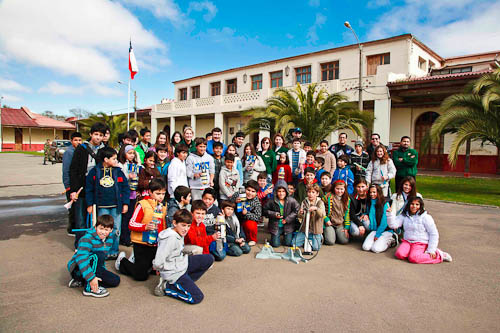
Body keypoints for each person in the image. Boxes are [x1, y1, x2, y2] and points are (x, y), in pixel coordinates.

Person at [153, 209, 215, 304]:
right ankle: (167, 287)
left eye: (188, 226)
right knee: (197, 297)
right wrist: (163, 270)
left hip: (181, 263)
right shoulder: (170, 238)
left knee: (209, 259)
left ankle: (186, 281)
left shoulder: (178, 233)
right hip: (174, 272)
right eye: (183, 225)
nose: (186, 229)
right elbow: (158, 262)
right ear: (174, 223)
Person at [115, 178, 167, 281]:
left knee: (154, 270)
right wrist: (145, 227)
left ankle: (137, 262)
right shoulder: (142, 204)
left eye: (163, 193)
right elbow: (131, 223)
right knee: (141, 276)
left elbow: (163, 226)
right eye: (158, 193)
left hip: (155, 243)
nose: (161, 196)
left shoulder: (163, 207)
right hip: (141, 242)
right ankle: (122, 261)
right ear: (150, 192)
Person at [85, 147, 130, 260]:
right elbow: (89, 189)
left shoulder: (118, 171)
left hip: (116, 207)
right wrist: (89, 204)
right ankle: (102, 251)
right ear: (106, 159)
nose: (116, 161)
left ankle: (114, 250)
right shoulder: (94, 172)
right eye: (114, 159)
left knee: (115, 229)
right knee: (102, 229)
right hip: (101, 207)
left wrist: (125, 203)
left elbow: (125, 188)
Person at [70, 122, 106, 249]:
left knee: (96, 219)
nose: (98, 137)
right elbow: (73, 170)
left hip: (97, 189)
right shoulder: (81, 148)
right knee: (80, 219)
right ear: (91, 134)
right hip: (82, 188)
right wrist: (73, 190)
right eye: (96, 134)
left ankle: (93, 244)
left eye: (101, 135)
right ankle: (80, 246)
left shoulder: (104, 150)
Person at [67, 215, 120, 298]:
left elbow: (101, 260)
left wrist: (100, 272)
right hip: (78, 268)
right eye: (101, 228)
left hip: (94, 266)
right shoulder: (87, 238)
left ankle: (81, 281)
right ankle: (89, 288)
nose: (103, 232)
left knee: (115, 280)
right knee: (98, 255)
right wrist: (91, 278)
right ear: (95, 227)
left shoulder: (109, 239)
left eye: (106, 230)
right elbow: (81, 259)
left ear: (111, 230)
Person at [388, 197, 452, 264]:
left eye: (417, 204)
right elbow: (393, 225)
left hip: (420, 242)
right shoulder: (404, 216)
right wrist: (389, 214)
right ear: (408, 205)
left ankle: (439, 255)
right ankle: (414, 253)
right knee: (399, 254)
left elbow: (434, 234)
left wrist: (431, 250)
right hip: (408, 241)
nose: (414, 206)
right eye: (412, 204)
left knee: (413, 258)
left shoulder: (426, 217)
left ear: (420, 206)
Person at [117, 144, 142, 246]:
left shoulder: (134, 164)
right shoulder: (120, 164)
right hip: (124, 194)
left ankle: (128, 237)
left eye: (133, 153)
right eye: (129, 153)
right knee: (125, 216)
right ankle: (124, 238)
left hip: (133, 193)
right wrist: (128, 176)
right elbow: (120, 178)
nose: (131, 155)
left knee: (131, 215)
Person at [263, 180, 299, 247]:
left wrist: (287, 219)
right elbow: (264, 210)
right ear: (276, 192)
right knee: (275, 244)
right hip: (276, 226)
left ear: (286, 192)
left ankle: (288, 236)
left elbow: (297, 210)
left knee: (288, 243)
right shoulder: (272, 201)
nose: (281, 193)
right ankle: (276, 237)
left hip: (288, 226)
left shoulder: (291, 200)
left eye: (283, 191)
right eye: (279, 191)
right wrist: (274, 214)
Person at [361, 184, 394, 253]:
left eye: (374, 192)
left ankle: (391, 240)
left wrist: (378, 234)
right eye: (370, 192)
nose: (372, 194)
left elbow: (385, 221)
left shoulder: (385, 203)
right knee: (366, 247)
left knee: (376, 249)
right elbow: (368, 212)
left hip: (385, 230)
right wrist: (365, 214)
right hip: (375, 229)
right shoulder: (369, 202)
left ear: (379, 192)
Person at [294, 184, 325, 251]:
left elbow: (322, 214)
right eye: (309, 192)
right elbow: (299, 216)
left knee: (316, 248)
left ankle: (318, 237)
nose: (311, 194)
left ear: (317, 194)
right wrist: (301, 213)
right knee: (294, 243)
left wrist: (316, 208)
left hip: (316, 230)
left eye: (313, 192)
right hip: (305, 229)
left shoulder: (320, 202)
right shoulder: (304, 202)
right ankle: (307, 238)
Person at [62, 132, 82, 235]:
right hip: (71, 185)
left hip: (78, 184)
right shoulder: (69, 152)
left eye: (79, 140)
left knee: (77, 208)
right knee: (72, 208)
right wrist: (68, 186)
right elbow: (66, 170)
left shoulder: (81, 151)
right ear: (71, 141)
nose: (78, 142)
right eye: (75, 140)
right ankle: (71, 228)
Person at [233, 180, 261, 246]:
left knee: (250, 225)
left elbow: (257, 217)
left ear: (256, 193)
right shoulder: (237, 195)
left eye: (253, 191)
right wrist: (234, 202)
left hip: (246, 220)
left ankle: (252, 239)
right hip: (235, 218)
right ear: (245, 189)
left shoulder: (256, 202)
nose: (250, 193)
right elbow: (227, 205)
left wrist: (247, 213)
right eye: (248, 190)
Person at [323, 180, 351, 245]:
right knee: (330, 242)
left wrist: (346, 228)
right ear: (334, 188)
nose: (339, 191)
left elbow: (347, 214)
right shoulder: (328, 197)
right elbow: (321, 208)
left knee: (344, 241)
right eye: (337, 189)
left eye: (341, 189)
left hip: (339, 224)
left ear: (345, 189)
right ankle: (327, 234)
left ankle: (336, 234)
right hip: (329, 223)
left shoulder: (347, 199)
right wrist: (326, 219)